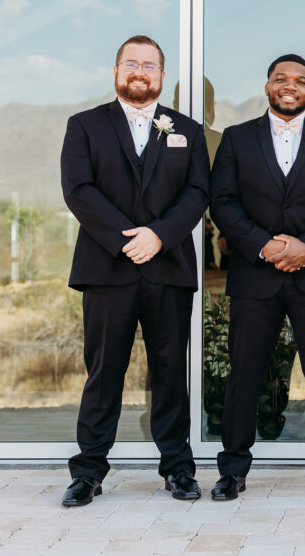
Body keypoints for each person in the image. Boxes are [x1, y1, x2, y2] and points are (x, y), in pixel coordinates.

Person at [59, 35, 209, 506]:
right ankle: (88, 472)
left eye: (149, 64)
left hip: (168, 268)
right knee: (104, 372)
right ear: (117, 71)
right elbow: (78, 189)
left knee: (169, 373)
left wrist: (159, 235)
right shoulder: (84, 125)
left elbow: (197, 191)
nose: (139, 71)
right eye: (131, 63)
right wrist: (129, 239)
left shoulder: (187, 129)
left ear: (162, 76)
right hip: (107, 269)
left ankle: (178, 470)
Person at [208, 54, 305, 501]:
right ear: (267, 86)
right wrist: (265, 245)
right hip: (256, 275)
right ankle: (232, 469)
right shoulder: (237, 139)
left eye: (300, 80)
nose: (290, 85)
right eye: (281, 78)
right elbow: (223, 202)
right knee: (245, 374)